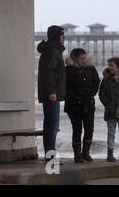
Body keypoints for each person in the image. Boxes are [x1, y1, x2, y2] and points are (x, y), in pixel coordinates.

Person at [65, 48, 100, 163]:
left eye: (85, 58)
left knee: (89, 129)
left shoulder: (91, 69)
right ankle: (77, 156)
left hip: (88, 103)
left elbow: (96, 82)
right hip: (73, 105)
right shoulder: (68, 70)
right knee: (77, 129)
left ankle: (86, 153)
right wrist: (73, 96)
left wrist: (91, 94)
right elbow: (64, 86)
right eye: (81, 58)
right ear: (74, 58)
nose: (84, 60)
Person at [37, 25, 66, 162]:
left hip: (51, 93)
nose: (64, 37)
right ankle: (50, 156)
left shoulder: (52, 50)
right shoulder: (52, 51)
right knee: (52, 126)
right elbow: (48, 73)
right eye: (62, 34)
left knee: (50, 124)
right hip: (51, 94)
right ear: (56, 36)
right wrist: (52, 92)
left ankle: (50, 155)